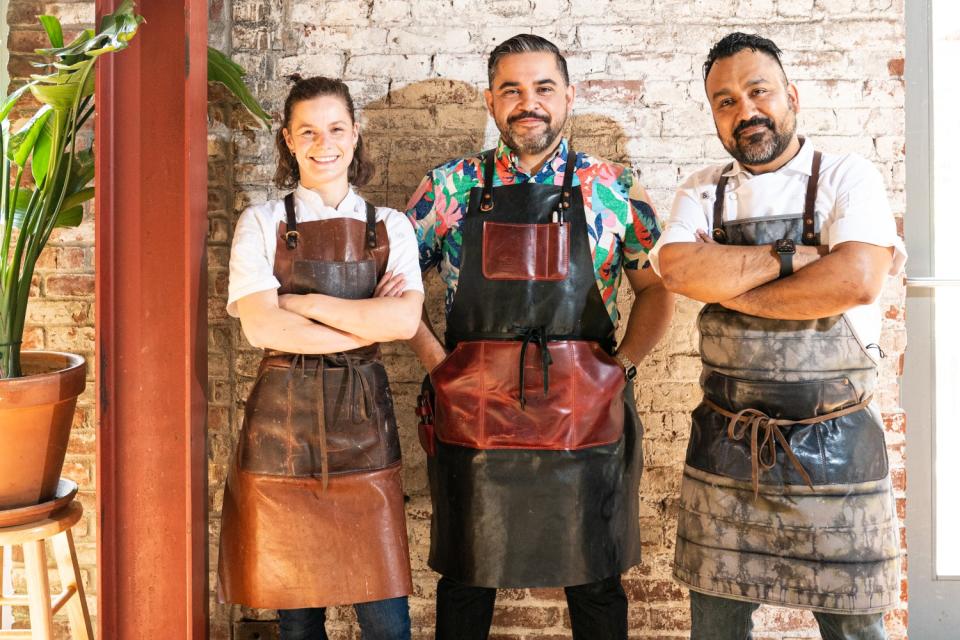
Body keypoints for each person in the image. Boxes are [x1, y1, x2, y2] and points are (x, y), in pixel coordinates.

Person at [405, 34, 674, 640]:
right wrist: (438, 365)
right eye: (512, 90)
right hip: (473, 412)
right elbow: (393, 286)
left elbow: (656, 291)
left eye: (544, 88)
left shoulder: (615, 187)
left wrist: (620, 368)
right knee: (467, 579)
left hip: (586, 413)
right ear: (490, 100)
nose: (529, 103)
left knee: (597, 578)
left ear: (569, 95)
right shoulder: (447, 189)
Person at [651, 33, 905, 640]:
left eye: (757, 91)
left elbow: (857, 279)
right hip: (725, 446)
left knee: (855, 628)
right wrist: (799, 257)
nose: (745, 111)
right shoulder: (701, 189)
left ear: (790, 95)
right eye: (725, 102)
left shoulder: (848, 175)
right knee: (715, 625)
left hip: (837, 446)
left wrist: (731, 286)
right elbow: (679, 271)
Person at [217, 75, 424, 640]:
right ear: (287, 139)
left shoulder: (392, 227)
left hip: (365, 424)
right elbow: (263, 327)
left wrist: (302, 305)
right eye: (306, 130)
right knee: (297, 617)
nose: (323, 142)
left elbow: (405, 322)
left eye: (335, 128)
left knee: (386, 619)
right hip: (282, 428)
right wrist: (363, 324)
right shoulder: (259, 223)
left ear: (355, 134)